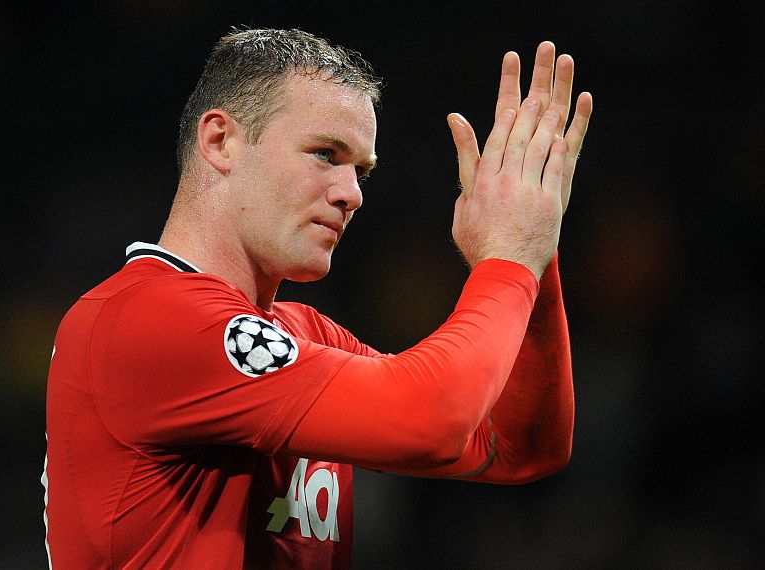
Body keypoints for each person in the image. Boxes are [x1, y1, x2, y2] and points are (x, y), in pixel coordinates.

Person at [42, 27, 592, 569]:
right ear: (221, 141)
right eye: (325, 154)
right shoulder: (146, 317)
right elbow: (432, 421)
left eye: (361, 172)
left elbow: (521, 447)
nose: (351, 194)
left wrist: (534, 252)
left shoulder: (304, 336)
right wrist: (508, 260)